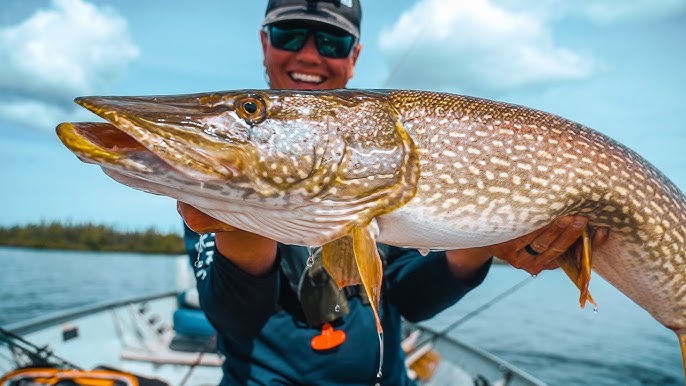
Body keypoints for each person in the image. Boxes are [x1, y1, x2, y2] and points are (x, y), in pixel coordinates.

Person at [178, 0, 609, 384]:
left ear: (354, 56)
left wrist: (481, 243)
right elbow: (236, 318)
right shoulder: (226, 156)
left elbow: (411, 298)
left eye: (332, 40)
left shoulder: (387, 163)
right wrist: (237, 216)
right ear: (264, 43)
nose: (309, 54)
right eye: (288, 34)